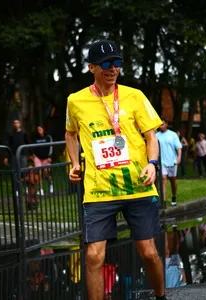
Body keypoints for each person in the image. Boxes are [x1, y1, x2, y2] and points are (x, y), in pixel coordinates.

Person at [65, 40, 167, 300]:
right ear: (92, 67)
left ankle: (160, 296)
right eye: (107, 64)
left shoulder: (135, 96)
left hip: (138, 185)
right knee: (93, 256)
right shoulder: (75, 101)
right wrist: (75, 163)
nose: (113, 69)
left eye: (117, 63)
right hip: (100, 190)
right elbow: (70, 134)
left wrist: (152, 165)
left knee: (148, 252)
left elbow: (151, 137)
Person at [156, 118, 182, 206]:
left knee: (173, 181)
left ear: (166, 124)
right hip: (162, 162)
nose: (161, 126)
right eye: (159, 124)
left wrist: (179, 157)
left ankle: (174, 197)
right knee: (163, 179)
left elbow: (178, 147)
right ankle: (163, 202)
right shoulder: (157, 135)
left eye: (162, 124)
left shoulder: (173, 135)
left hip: (172, 161)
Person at [3, 119, 30, 194]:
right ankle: (17, 190)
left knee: (23, 171)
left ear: (20, 124)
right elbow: (9, 146)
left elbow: (28, 143)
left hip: (23, 154)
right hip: (14, 155)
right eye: (14, 123)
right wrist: (6, 157)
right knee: (15, 173)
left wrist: (30, 154)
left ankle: (26, 187)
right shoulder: (11, 134)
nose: (16, 124)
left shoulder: (24, 133)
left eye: (17, 123)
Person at [32, 125, 54, 195]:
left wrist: (50, 156)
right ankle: (40, 189)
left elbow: (51, 147)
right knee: (39, 173)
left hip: (46, 158)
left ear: (43, 130)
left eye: (40, 129)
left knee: (46, 174)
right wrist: (33, 155)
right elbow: (33, 147)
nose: (39, 131)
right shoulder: (35, 138)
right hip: (38, 157)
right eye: (38, 130)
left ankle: (51, 184)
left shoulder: (48, 137)